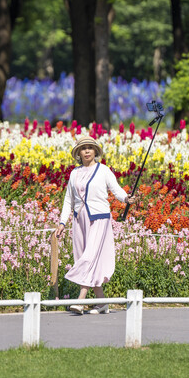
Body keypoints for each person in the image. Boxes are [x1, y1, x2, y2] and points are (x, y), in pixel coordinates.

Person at [55, 134, 135, 314]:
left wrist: (127, 198)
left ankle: (80, 300)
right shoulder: (74, 173)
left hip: (99, 218)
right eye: (83, 148)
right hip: (79, 219)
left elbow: (116, 190)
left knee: (89, 257)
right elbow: (68, 199)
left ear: (95, 151)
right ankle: (102, 302)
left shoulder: (104, 170)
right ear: (79, 153)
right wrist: (62, 222)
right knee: (84, 256)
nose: (87, 151)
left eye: (90, 148)